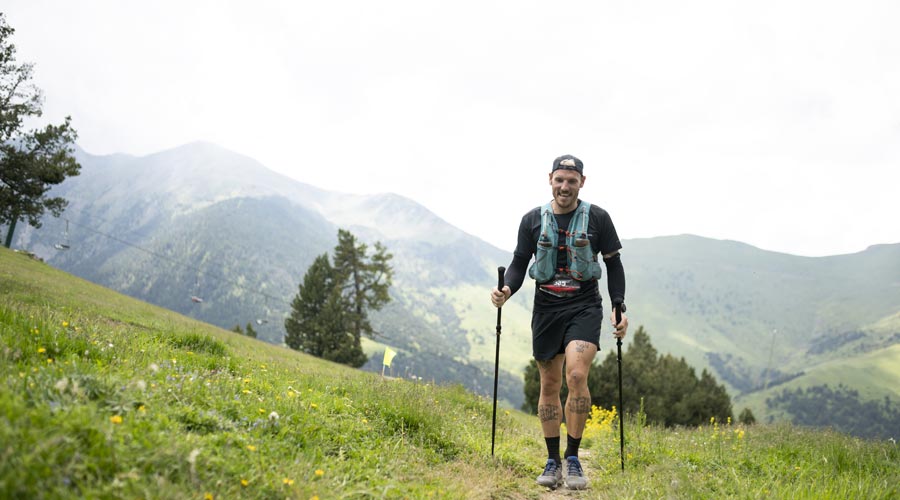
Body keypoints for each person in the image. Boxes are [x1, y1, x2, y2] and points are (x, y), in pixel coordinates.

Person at [490, 154, 628, 490]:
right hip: (546, 308)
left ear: (582, 182)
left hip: (584, 305)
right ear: (550, 179)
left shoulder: (598, 218)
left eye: (572, 180)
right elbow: (520, 262)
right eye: (559, 180)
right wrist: (506, 288)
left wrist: (618, 305)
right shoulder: (531, 220)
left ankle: (574, 458)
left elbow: (614, 264)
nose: (565, 186)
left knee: (577, 374)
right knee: (550, 385)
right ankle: (552, 461)